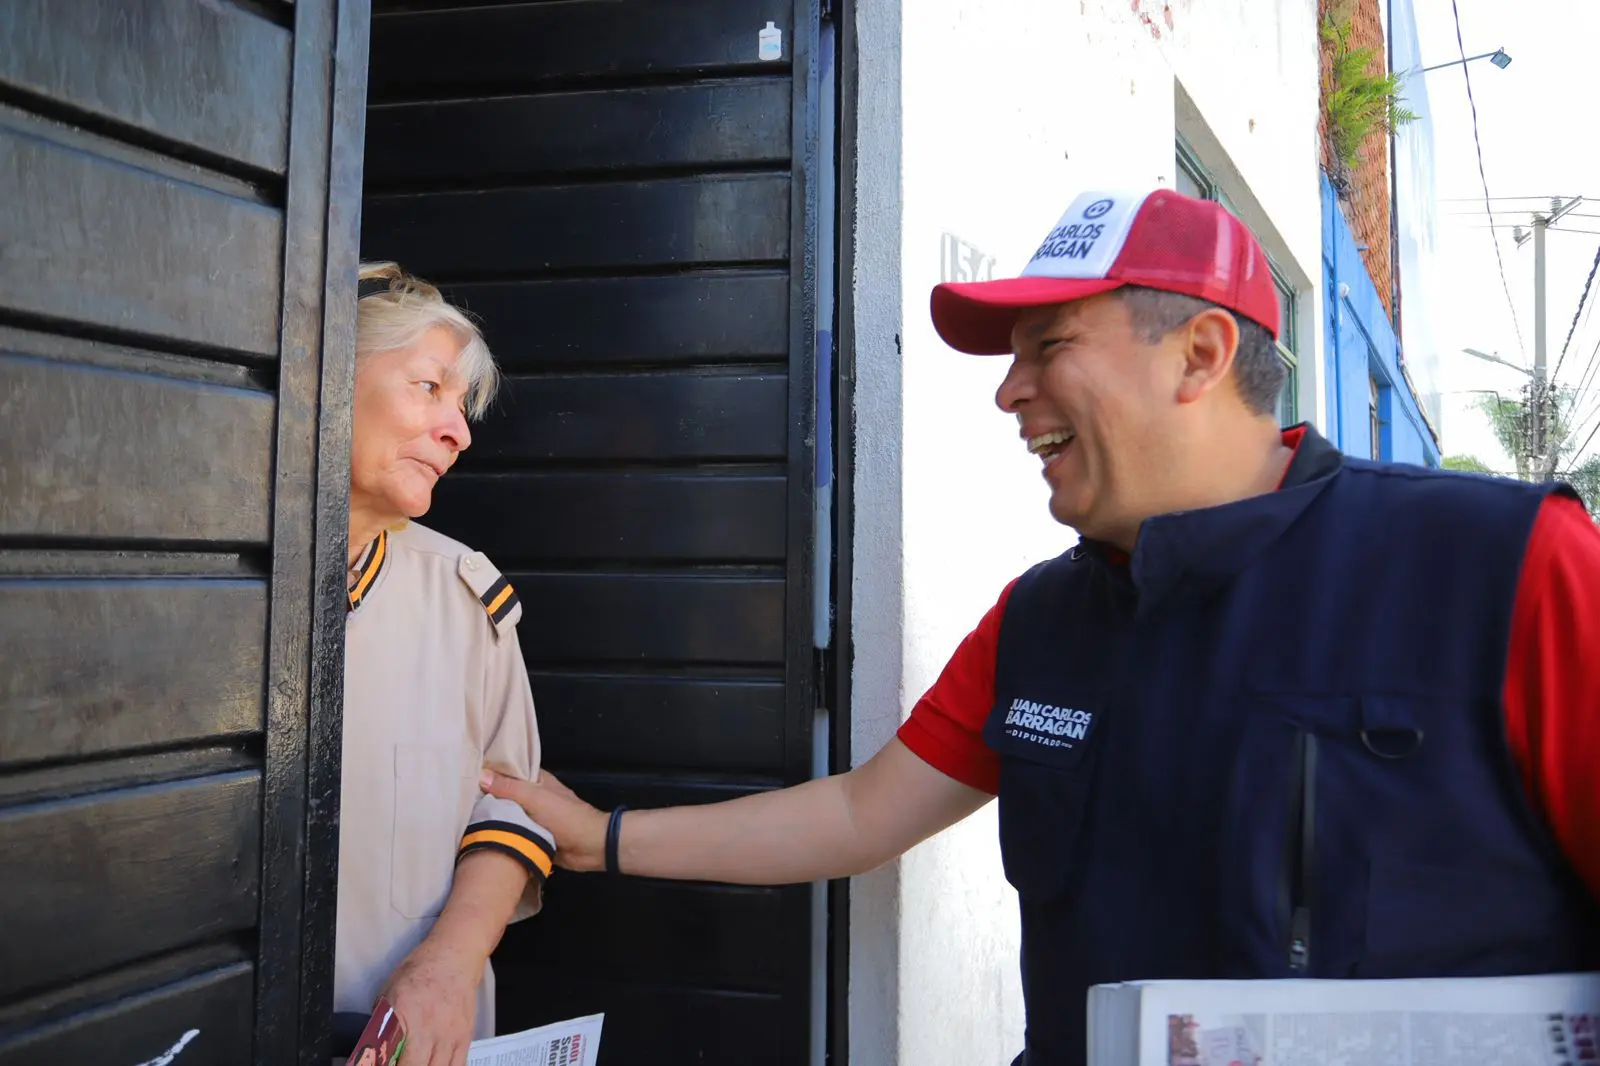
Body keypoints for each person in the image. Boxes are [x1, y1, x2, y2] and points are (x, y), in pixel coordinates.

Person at [480, 189, 1600, 1065]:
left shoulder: (1506, 566)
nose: (1008, 393)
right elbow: (863, 811)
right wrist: (601, 836)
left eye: (1048, 345)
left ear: (1201, 356)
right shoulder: (1041, 618)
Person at [337, 262, 555, 1066]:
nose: (458, 431)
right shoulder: (187, 579)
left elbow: (512, 806)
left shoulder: (468, 595)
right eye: (430, 388)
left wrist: (448, 965)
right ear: (320, 370)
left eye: (460, 407)